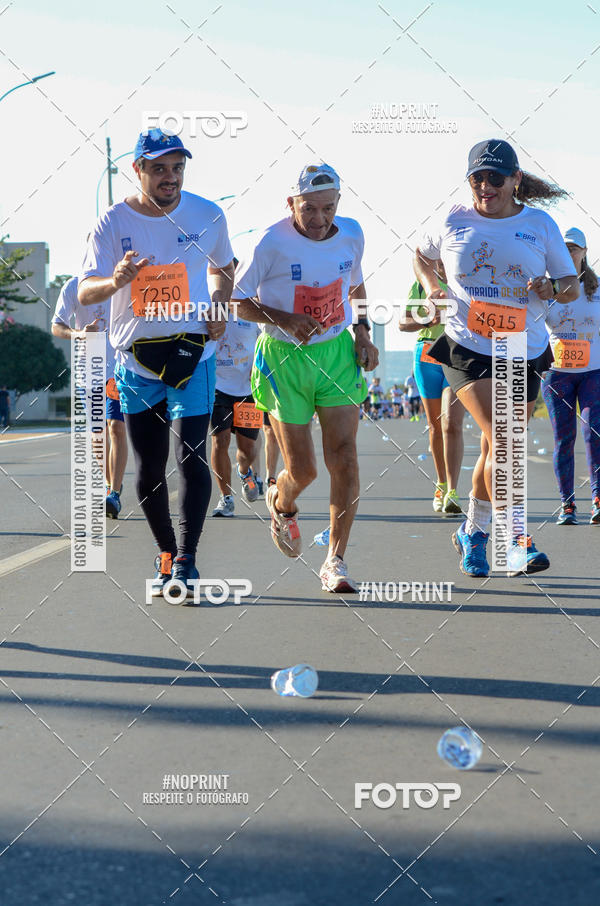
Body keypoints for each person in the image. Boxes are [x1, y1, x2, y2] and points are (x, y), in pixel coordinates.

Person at [78, 128, 235, 598]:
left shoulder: (207, 214)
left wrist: (220, 304)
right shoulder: (112, 221)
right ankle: (165, 551)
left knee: (191, 455)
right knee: (149, 466)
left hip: (193, 352)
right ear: (138, 169)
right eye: (160, 168)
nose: (171, 177)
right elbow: (86, 290)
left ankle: (187, 558)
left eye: (178, 167)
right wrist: (116, 280)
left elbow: (224, 267)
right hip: (137, 360)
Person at [414, 138, 578, 577]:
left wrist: (551, 288)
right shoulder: (453, 218)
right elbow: (422, 256)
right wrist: (433, 288)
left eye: (495, 178)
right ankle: (516, 540)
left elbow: (571, 285)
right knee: (506, 440)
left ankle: (474, 530)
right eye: (477, 178)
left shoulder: (539, 224)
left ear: (515, 180)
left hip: (523, 349)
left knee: (495, 445)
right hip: (468, 344)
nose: (485, 187)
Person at [231, 163, 379, 592]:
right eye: (309, 209)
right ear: (290, 204)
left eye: (328, 208)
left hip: (335, 354)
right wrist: (284, 318)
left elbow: (355, 285)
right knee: (305, 470)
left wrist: (362, 333)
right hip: (283, 359)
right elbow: (237, 302)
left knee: (345, 457)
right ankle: (282, 499)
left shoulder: (351, 233)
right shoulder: (271, 242)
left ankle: (335, 561)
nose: (319, 220)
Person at [52, 274, 128, 519]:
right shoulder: (74, 286)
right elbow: (57, 325)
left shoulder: (123, 280)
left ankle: (114, 493)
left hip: (119, 369)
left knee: (116, 427)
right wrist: (79, 334)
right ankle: (110, 486)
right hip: (90, 372)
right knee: (98, 436)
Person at [541, 228, 600, 525]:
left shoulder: (597, 287)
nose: (569, 252)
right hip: (558, 375)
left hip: (593, 373)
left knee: (594, 433)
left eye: (574, 248)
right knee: (564, 439)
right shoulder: (547, 288)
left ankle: (598, 500)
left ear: (585, 252)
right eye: (564, 248)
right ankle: (567, 505)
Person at [400, 264, 465, 515]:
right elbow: (403, 323)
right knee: (436, 426)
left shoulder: (464, 281)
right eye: (435, 258)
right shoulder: (420, 286)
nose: (440, 263)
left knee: (451, 423)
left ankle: (453, 492)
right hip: (426, 355)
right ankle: (441, 483)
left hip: (456, 353)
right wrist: (425, 319)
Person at [210, 315, 261, 516]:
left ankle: (244, 471)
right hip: (217, 387)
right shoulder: (211, 307)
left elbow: (265, 343)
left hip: (248, 390)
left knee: (247, 451)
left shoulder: (251, 309)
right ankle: (226, 498)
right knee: (219, 442)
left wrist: (258, 366)